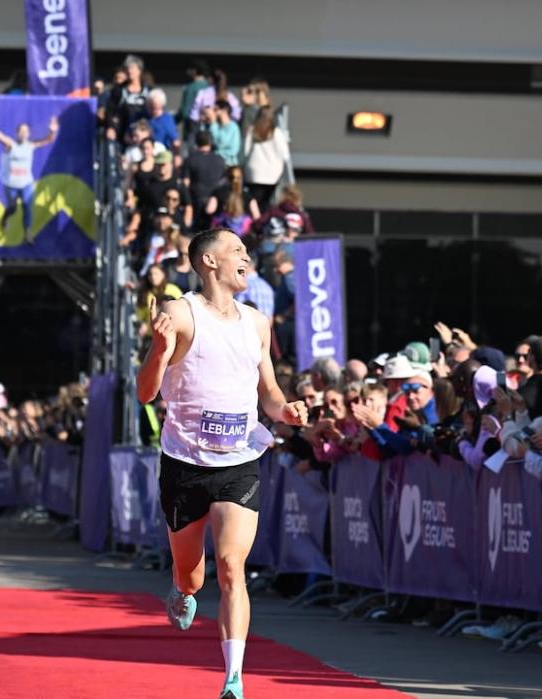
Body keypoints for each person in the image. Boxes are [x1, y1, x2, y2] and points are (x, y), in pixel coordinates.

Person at [135, 228, 308, 699]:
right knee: (191, 572)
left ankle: (233, 677)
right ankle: (181, 588)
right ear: (208, 262)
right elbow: (146, 393)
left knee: (232, 565)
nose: (247, 258)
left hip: (239, 460)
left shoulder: (257, 322)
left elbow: (268, 391)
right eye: (237, 251)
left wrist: (285, 410)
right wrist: (156, 348)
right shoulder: (180, 314)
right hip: (185, 460)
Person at [0, 105, 58, 236]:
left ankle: (28, 232)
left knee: (27, 206)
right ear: (17, 133)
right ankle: (5, 218)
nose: (23, 133)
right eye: (21, 131)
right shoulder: (11, 145)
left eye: (26, 131)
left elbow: (48, 140)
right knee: (12, 208)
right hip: (11, 183)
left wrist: (52, 131)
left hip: (26, 183)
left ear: (29, 134)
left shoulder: (31, 145)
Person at [243, 109, 290, 213]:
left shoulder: (252, 130)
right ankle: (263, 223)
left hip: (254, 173)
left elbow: (245, 151)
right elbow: (285, 154)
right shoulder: (276, 133)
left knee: (252, 203)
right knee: (266, 202)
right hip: (272, 175)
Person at [183, 131, 227, 232]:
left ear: (196, 143)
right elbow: (224, 182)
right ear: (210, 143)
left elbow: (185, 183)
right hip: (216, 203)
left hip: (197, 201)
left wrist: (187, 204)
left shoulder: (190, 160)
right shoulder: (220, 160)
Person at [147, 88, 180, 153]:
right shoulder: (142, 117)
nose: (153, 111)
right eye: (151, 108)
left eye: (156, 108)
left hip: (161, 151)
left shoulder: (167, 119)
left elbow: (175, 139)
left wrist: (177, 154)